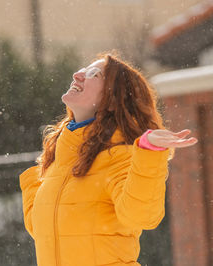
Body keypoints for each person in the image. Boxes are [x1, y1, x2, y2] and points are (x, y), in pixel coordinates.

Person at [19, 52, 198, 266]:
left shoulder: (120, 156)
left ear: (113, 101)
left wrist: (149, 153)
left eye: (93, 75)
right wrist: (34, 182)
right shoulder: (58, 163)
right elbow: (44, 230)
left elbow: (141, 216)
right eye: (83, 70)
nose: (78, 75)